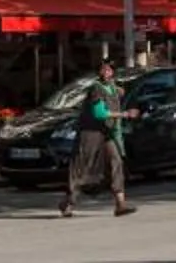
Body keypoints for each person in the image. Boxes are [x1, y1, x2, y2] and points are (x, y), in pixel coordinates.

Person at [58, 58, 136, 219]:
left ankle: (120, 203)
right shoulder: (96, 88)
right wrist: (124, 114)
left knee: (116, 161)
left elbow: (117, 96)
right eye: (103, 69)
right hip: (90, 132)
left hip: (107, 132)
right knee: (82, 167)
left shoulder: (113, 88)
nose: (106, 72)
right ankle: (68, 202)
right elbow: (99, 113)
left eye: (109, 70)